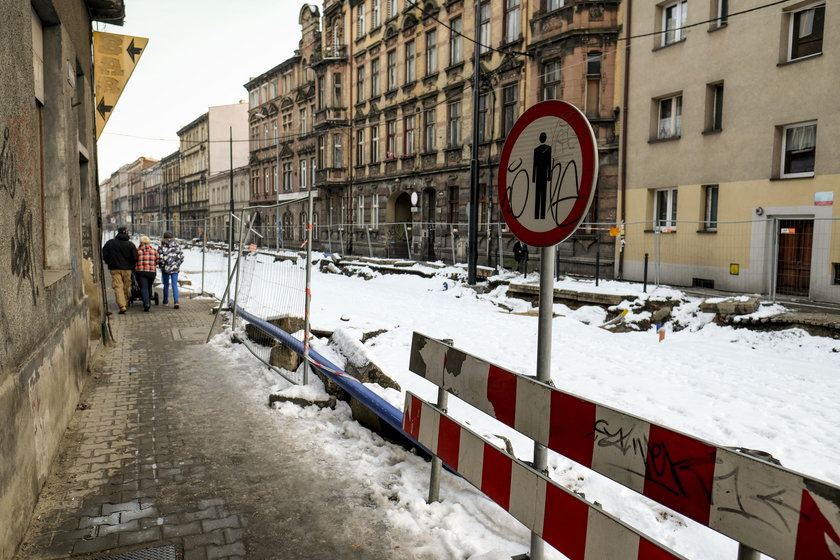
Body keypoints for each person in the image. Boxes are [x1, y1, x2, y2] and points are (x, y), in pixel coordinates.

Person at [102, 226, 137, 314]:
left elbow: (104, 253)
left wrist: (108, 261)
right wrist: (132, 265)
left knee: (118, 287)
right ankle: (125, 302)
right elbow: (135, 257)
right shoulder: (130, 245)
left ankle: (122, 305)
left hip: (115, 268)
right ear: (126, 233)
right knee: (126, 286)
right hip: (127, 269)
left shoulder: (110, 243)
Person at [158, 232, 184, 309]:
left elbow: (160, 258)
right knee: (174, 285)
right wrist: (177, 265)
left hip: (165, 269)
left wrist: (162, 266)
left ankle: (165, 301)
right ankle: (176, 301)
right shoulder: (177, 246)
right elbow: (181, 257)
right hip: (175, 269)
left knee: (166, 285)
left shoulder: (161, 246)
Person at [135, 236, 159, 312]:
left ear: (140, 243)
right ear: (149, 242)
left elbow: (134, 261)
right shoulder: (154, 251)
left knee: (143, 287)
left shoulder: (137, 251)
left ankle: (146, 303)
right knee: (149, 286)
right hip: (151, 272)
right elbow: (158, 261)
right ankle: (148, 300)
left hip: (141, 272)